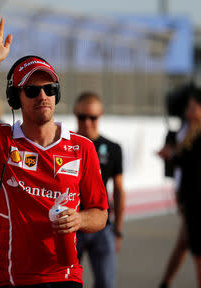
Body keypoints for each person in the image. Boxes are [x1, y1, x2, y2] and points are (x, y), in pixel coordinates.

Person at [0, 17, 108, 287]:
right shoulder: (1, 141)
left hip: (64, 276)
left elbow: (101, 214)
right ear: (15, 99)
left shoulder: (83, 148)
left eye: (49, 89)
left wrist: (79, 219)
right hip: (10, 278)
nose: (42, 96)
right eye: (32, 90)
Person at [158, 88, 201, 288]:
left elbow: (194, 168)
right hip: (189, 198)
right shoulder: (191, 132)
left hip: (199, 201)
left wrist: (173, 156)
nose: (188, 110)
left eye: (193, 107)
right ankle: (165, 283)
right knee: (183, 246)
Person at [73, 92, 125, 288]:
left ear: (100, 115)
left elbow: (119, 190)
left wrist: (118, 231)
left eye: (92, 117)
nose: (87, 122)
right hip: (72, 225)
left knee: (106, 283)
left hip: (102, 226)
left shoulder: (113, 148)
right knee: (63, 283)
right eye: (82, 117)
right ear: (74, 114)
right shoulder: (64, 144)